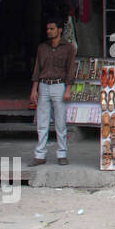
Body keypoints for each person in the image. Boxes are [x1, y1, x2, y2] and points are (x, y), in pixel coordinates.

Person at [29, 18, 77, 167]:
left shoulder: (68, 48)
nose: (49, 31)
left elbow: (70, 70)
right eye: (47, 29)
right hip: (44, 85)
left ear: (59, 30)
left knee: (60, 122)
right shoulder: (42, 48)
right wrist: (34, 89)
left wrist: (68, 89)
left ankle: (62, 153)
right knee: (42, 122)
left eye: (52, 29)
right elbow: (37, 68)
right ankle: (40, 154)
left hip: (59, 85)